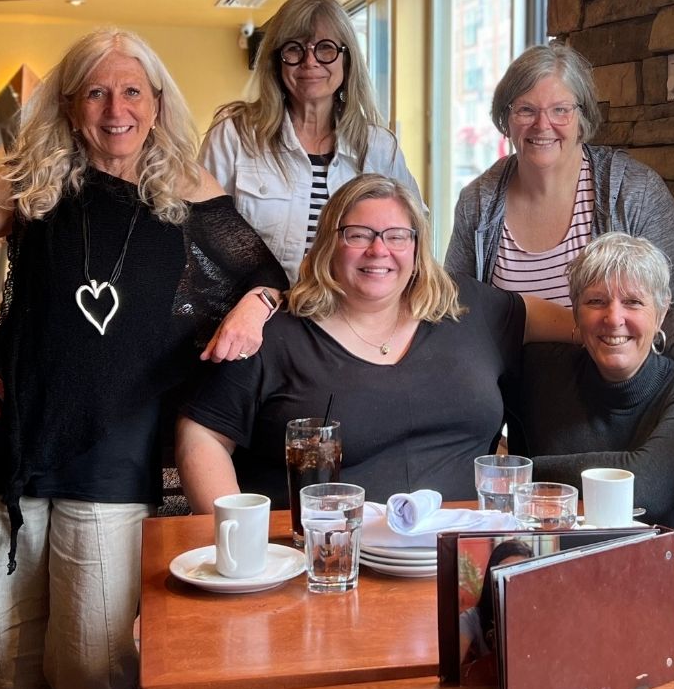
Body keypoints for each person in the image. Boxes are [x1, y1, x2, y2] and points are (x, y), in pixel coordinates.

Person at [0, 29, 288, 689]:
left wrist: (252, 309)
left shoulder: (188, 190)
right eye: (96, 92)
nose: (116, 108)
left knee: (91, 666)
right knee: (6, 668)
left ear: (157, 103)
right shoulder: (28, 183)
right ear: (70, 107)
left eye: (133, 90)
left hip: (113, 455)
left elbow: (268, 277)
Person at [177, 173, 575, 511]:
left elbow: (582, 325)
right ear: (330, 244)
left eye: (397, 236)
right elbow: (203, 436)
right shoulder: (274, 332)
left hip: (461, 556)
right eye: (358, 235)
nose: (379, 250)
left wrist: (629, 330)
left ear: (417, 248)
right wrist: (238, 542)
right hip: (326, 562)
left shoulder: (470, 309)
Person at [444, 43, 674, 373]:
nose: (542, 124)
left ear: (583, 117)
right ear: (506, 118)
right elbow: (457, 308)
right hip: (514, 405)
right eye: (525, 110)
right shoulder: (478, 202)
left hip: (615, 400)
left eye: (560, 110)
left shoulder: (632, 190)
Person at [508, 233, 674, 558]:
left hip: (672, 594)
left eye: (633, 302)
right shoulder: (539, 371)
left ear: (661, 311)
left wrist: (508, 475)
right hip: (551, 577)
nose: (614, 319)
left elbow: (644, 486)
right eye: (596, 301)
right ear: (575, 311)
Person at [199, 0, 419, 286]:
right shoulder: (234, 136)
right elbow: (199, 239)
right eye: (294, 49)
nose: (310, 62)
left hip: (348, 320)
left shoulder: (379, 147)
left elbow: (412, 237)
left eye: (326, 48)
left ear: (347, 59)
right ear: (276, 60)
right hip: (254, 320)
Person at [459, 539, 535, 686]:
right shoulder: (472, 618)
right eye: (503, 572)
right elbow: (451, 673)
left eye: (520, 572)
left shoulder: (541, 615)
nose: (509, 580)